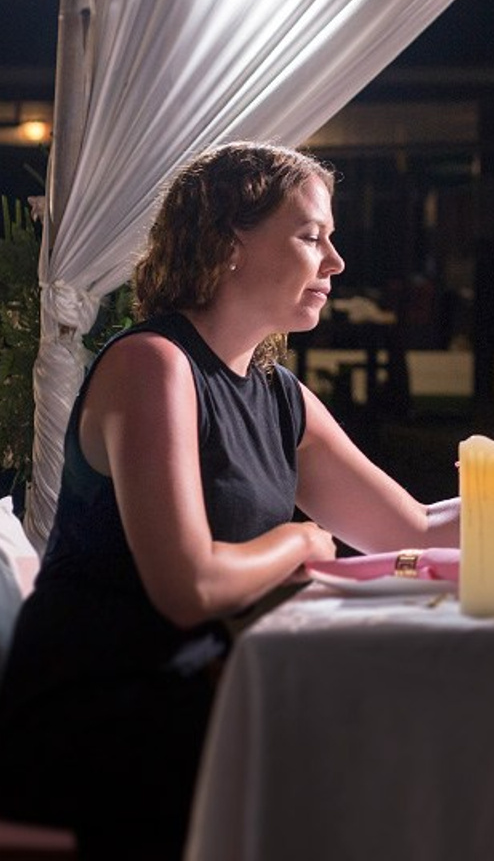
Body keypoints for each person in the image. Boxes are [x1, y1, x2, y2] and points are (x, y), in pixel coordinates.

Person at [0, 143, 464, 859]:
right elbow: (189, 589)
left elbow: (418, 530)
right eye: (312, 237)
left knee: (398, 751)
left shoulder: (279, 394)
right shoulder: (151, 365)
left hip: (206, 694)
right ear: (228, 244)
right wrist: (304, 542)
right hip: (106, 710)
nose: (336, 262)